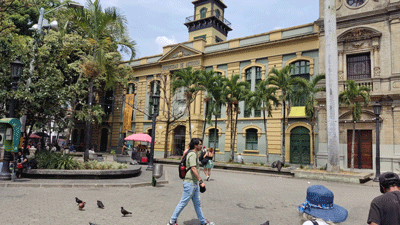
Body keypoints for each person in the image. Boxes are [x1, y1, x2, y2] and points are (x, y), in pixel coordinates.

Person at [167, 138, 214, 225]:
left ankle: (203, 222)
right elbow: (193, 168)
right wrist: (201, 181)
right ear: (195, 145)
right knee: (183, 203)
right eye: (200, 144)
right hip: (190, 183)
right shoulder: (192, 154)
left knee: (197, 204)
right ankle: (171, 221)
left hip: (193, 183)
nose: (201, 145)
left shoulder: (193, 153)